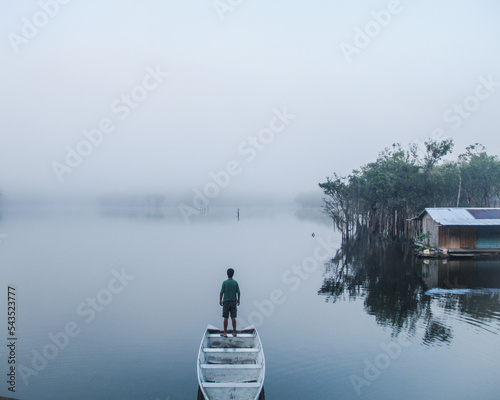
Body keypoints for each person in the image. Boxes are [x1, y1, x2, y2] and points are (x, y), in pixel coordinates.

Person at [219, 268, 240, 337]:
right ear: (233, 274)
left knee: (225, 317)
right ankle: (234, 332)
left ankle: (225, 333)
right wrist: (239, 300)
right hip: (233, 301)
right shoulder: (235, 283)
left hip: (226, 302)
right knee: (233, 317)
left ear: (227, 274)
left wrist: (220, 300)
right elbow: (238, 292)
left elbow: (221, 292)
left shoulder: (225, 283)